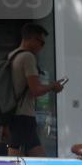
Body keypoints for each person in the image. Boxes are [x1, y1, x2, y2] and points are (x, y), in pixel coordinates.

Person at [6, 23, 65, 157]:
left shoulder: (12, 55)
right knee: (31, 157)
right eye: (41, 42)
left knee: (20, 153)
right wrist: (53, 86)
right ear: (32, 38)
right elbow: (35, 90)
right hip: (24, 115)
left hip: (13, 114)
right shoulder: (28, 57)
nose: (41, 47)